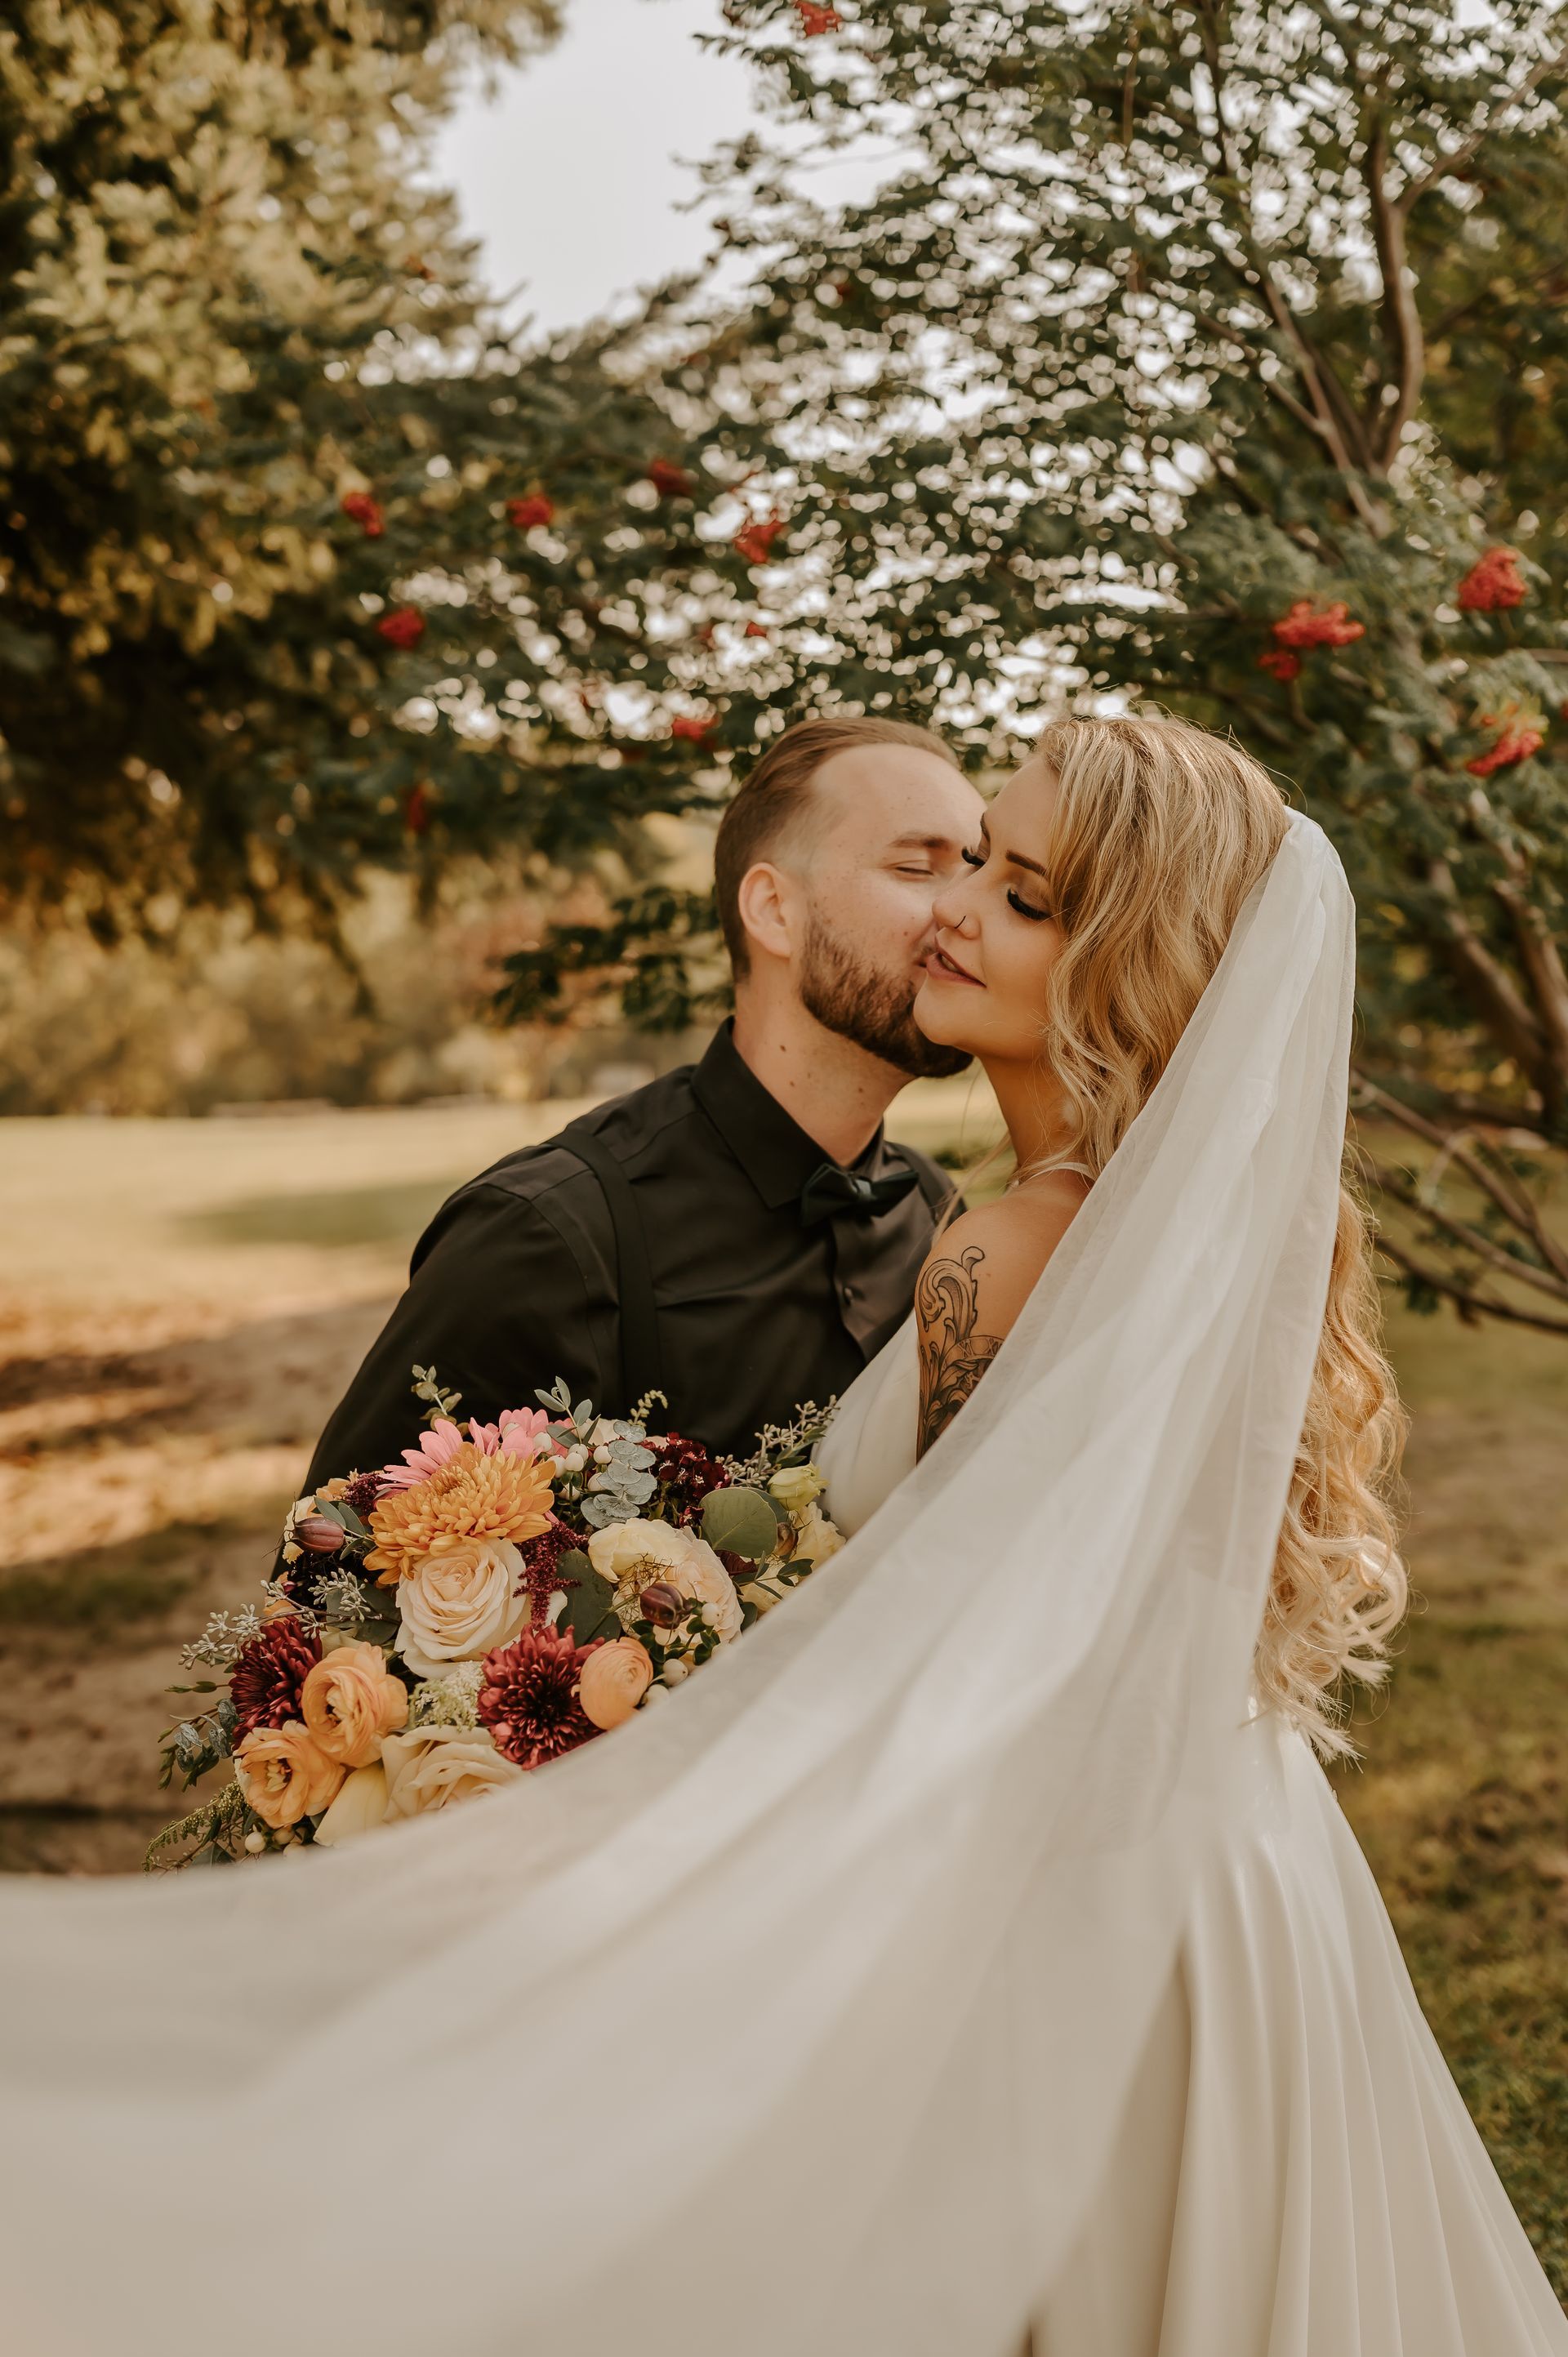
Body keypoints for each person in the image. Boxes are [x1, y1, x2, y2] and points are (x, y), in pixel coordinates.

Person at [816, 714, 1566, 2353]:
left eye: (1020, 894)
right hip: (1236, 1874)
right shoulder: (1188, 1233)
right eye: (957, 865)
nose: (952, 912)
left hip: (1054, 1918)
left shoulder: (997, 1256)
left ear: (1123, 968)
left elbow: (942, 1662)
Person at [301, 715, 985, 1481]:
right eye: (918, 869)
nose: (967, 910)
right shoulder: (545, 1240)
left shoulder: (937, 1215)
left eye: (979, 870)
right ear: (774, 910)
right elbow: (340, 1582)